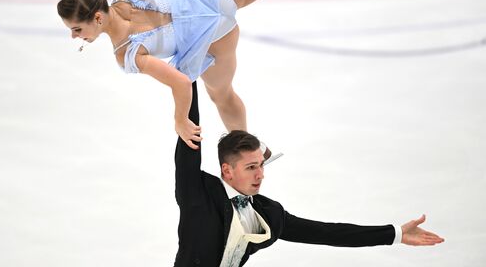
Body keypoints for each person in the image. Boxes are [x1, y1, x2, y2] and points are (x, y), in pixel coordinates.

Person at [57, 0, 309, 149]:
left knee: (222, 95)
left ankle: (250, 150)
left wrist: (180, 120)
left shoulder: (126, 53)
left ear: (98, 18)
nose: (74, 35)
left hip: (213, 35)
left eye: (77, 28)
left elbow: (181, 82)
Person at [174, 81, 444, 267]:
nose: (260, 175)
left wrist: (394, 233)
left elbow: (328, 233)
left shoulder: (268, 214)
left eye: (261, 165)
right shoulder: (198, 192)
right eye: (251, 167)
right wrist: (189, 73)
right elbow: (191, 132)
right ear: (227, 170)